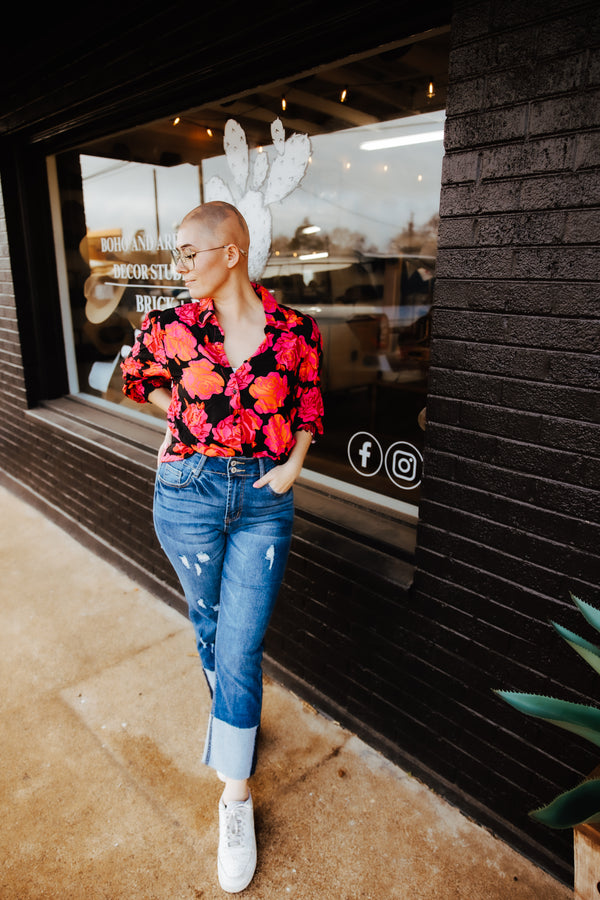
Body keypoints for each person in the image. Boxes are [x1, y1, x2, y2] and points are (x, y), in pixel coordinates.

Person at [121, 201, 324, 893]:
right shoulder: (169, 326)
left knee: (240, 645)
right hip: (187, 494)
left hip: (265, 501)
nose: (178, 267)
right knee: (209, 626)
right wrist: (177, 424)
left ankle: (233, 799)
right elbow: (137, 383)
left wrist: (294, 466)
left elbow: (309, 409)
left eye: (187, 253)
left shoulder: (297, 331)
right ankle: (232, 718)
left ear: (229, 253)